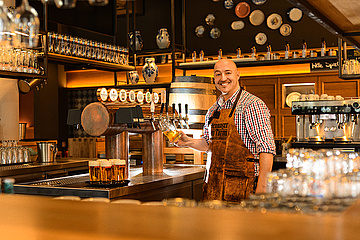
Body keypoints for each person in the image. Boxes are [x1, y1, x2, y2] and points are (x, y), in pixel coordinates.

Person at [175, 59, 275, 202]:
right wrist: (188, 142)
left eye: (228, 73)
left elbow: (267, 148)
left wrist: (263, 189)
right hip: (214, 187)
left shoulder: (252, 105)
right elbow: (210, 145)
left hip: (244, 187)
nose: (223, 78)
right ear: (214, 78)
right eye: (218, 74)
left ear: (238, 75)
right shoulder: (213, 110)